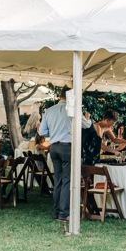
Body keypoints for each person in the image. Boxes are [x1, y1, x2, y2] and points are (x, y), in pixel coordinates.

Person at [38, 87, 92, 221]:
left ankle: (57, 212)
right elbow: (86, 125)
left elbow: (42, 132)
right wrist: (87, 118)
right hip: (67, 147)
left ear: (60, 96)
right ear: (71, 97)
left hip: (54, 148)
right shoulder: (73, 110)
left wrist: (55, 132)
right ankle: (63, 213)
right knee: (67, 181)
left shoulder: (49, 111)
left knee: (58, 181)